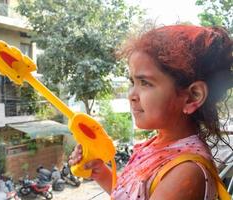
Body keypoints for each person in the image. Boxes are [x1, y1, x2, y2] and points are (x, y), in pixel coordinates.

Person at [69, 25, 233, 200]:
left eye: (145, 83)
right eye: (132, 82)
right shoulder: (157, 143)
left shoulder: (186, 172)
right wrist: (100, 172)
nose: (131, 95)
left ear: (192, 97)